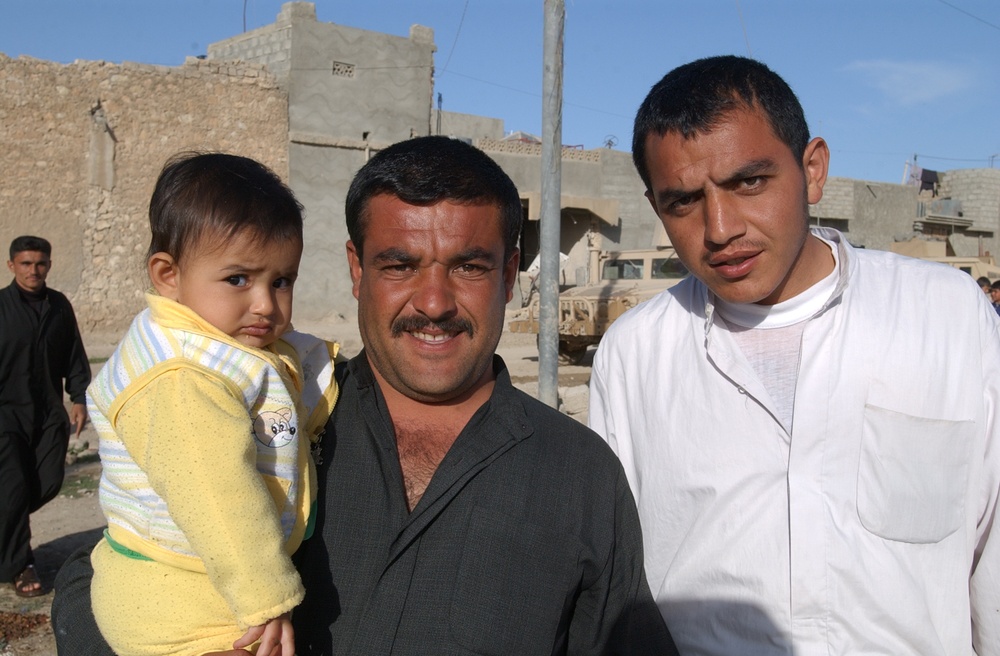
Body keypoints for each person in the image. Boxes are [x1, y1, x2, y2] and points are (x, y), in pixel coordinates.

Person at [52, 136, 676, 656]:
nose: (433, 303)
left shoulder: (580, 474)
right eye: (400, 265)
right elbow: (105, 570)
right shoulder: (276, 419)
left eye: (469, 266)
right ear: (356, 269)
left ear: (510, 275)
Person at [589, 55, 1000, 654]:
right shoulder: (636, 355)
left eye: (749, 182)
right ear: (657, 208)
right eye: (683, 201)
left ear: (812, 171)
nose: (720, 227)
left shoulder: (946, 318)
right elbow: (617, 582)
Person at [86, 153, 338, 656]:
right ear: (167, 275)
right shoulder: (183, 378)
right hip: (184, 598)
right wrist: (269, 598)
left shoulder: (225, 348)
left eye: (281, 281)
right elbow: (220, 497)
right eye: (238, 279)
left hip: (194, 580)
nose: (266, 303)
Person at [0, 235, 90, 598]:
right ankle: (20, 565)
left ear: (49, 265)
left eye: (40, 263)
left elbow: (74, 353)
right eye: (26, 263)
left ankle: (8, 519)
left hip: (48, 411)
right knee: (14, 485)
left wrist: (79, 397)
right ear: (11, 266)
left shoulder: (58, 306)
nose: (33, 270)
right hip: (6, 414)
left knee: (49, 480)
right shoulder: (1, 307)